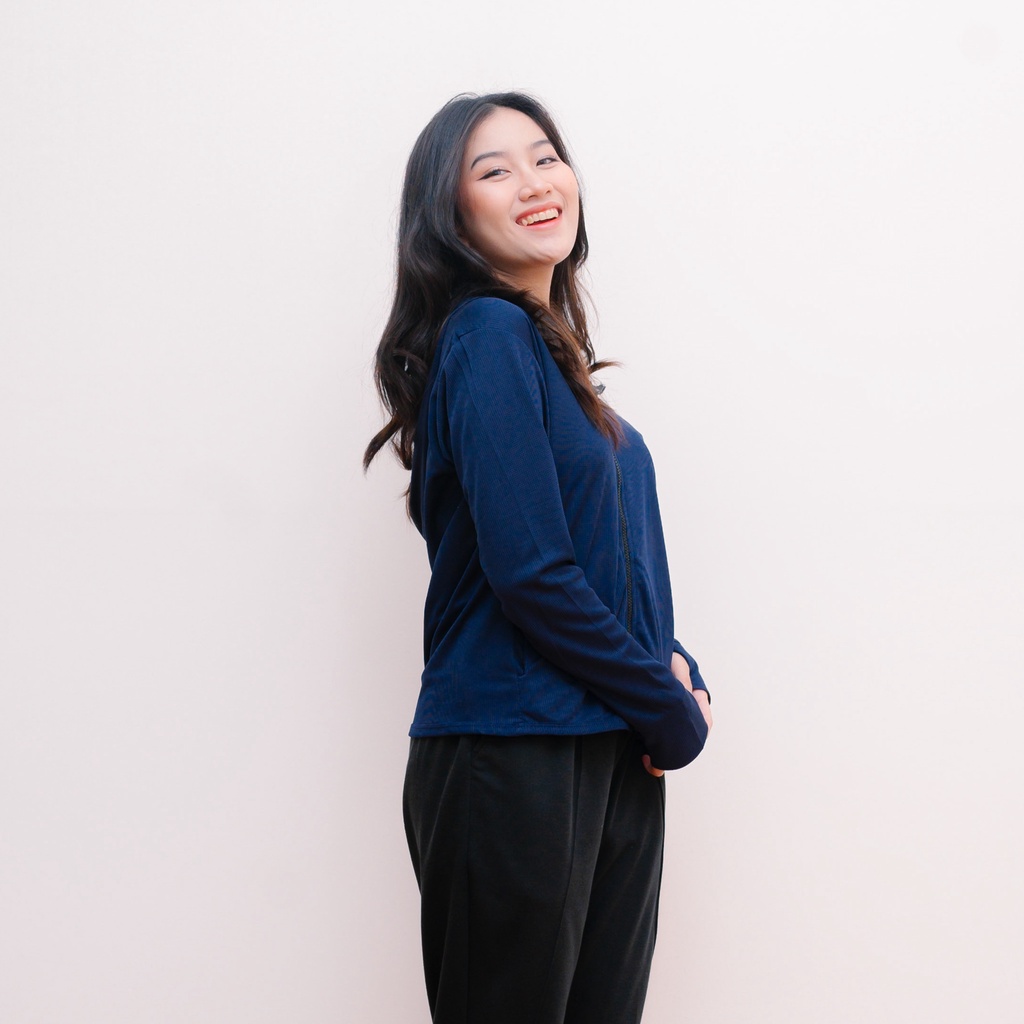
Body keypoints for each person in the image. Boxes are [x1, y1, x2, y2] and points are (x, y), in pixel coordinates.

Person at [363, 91, 713, 1024]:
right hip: (515, 754)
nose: (533, 182)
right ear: (450, 214)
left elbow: (603, 562)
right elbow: (532, 574)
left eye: (546, 156)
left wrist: (672, 666)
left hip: (607, 744)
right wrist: (666, 707)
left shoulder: (555, 367)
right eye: (494, 170)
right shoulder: (487, 334)